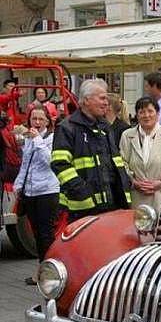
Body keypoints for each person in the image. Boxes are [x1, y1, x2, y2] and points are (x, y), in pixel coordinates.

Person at [51, 79, 132, 223]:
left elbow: (113, 164)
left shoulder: (105, 127)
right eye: (102, 98)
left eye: (106, 98)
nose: (106, 103)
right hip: (83, 209)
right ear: (86, 100)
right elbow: (60, 164)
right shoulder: (67, 128)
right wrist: (83, 192)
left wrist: (123, 190)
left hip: (111, 205)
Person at [13, 105, 59, 282]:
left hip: (48, 191)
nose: (37, 122)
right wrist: (18, 185)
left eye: (41, 119)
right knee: (38, 235)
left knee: (46, 235)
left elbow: (50, 161)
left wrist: (38, 140)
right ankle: (42, 271)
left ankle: (50, 274)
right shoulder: (29, 139)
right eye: (34, 119)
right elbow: (26, 164)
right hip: (31, 192)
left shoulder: (52, 138)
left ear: (48, 121)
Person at [119, 96, 161, 212]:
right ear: (137, 115)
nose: (146, 115)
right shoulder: (127, 136)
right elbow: (122, 163)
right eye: (142, 112)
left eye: (150, 111)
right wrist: (133, 182)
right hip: (138, 198)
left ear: (158, 114)